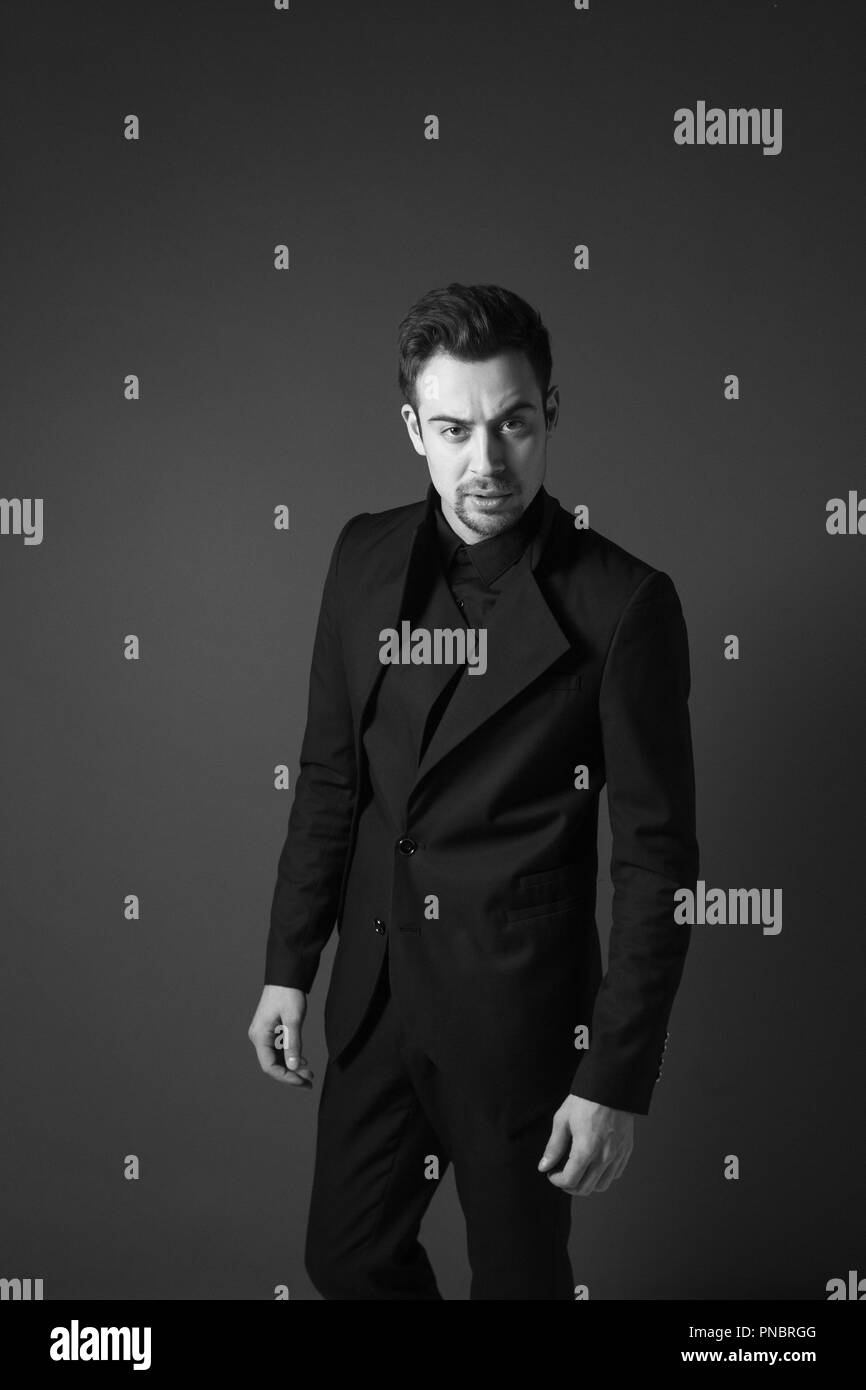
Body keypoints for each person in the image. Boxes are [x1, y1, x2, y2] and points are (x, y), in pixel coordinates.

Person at [248, 282, 699, 1300]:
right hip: (372, 1001)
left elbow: (656, 864)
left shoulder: (626, 605)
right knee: (345, 1258)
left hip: (522, 1024)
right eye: (452, 429)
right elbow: (329, 778)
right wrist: (289, 963)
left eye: (513, 425)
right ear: (412, 426)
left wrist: (614, 1075)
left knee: (518, 1284)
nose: (485, 462)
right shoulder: (359, 555)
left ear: (550, 414)